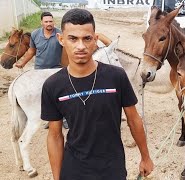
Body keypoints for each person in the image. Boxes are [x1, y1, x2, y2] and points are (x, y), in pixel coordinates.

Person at [41, 8, 154, 180]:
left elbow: (133, 119)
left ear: (95, 40)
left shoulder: (116, 76)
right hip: (74, 171)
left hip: (112, 169)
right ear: (61, 39)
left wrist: (145, 157)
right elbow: (55, 135)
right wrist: (57, 177)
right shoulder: (53, 86)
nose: (80, 46)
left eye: (87, 38)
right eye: (73, 38)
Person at [15, 11, 69, 129]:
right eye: (46, 22)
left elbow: (67, 51)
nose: (49, 24)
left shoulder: (60, 34)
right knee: (44, 96)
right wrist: (22, 62)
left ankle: (64, 118)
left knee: (60, 95)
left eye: (51, 21)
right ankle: (50, 119)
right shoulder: (35, 34)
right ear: (41, 22)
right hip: (39, 70)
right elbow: (32, 51)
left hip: (56, 69)